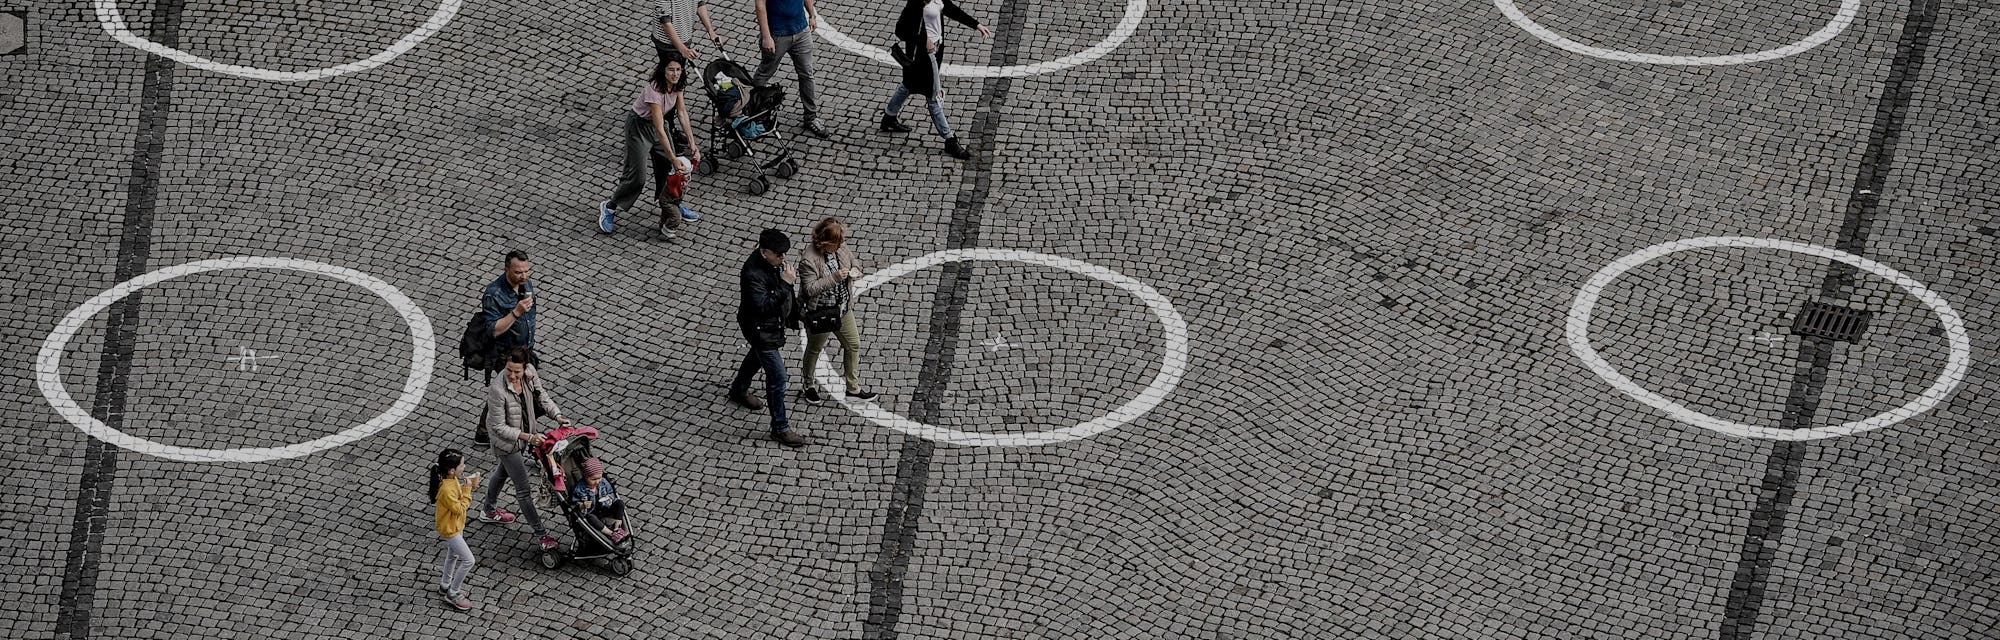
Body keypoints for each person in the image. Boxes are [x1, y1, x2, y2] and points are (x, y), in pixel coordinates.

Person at [599, 58, 705, 239]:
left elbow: (682, 112)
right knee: (637, 176)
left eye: (678, 69)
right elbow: (659, 129)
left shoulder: (678, 85)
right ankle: (610, 206)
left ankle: (672, 205)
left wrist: (692, 143)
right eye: (671, 70)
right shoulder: (654, 90)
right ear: (663, 71)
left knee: (671, 171)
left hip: (658, 127)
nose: (675, 74)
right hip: (640, 128)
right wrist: (673, 157)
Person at [478, 349, 572, 550]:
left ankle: (488, 510)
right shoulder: (498, 390)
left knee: (502, 472)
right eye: (509, 370)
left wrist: (557, 415)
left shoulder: (530, 373)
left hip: (523, 435)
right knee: (523, 490)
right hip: (506, 443)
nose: (512, 375)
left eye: (516, 371)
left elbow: (541, 396)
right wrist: (529, 437)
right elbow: (497, 426)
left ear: (525, 368)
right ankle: (541, 535)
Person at [880, 0, 991, 160]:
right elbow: (902, 30)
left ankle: (889, 116)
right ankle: (950, 139)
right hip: (922, 55)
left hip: (936, 51)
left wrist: (976, 25)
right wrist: (924, 40)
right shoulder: (915, 3)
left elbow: (950, 9)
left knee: (909, 84)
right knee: (932, 95)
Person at [729, 229, 807, 446]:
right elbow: (763, 306)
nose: (783, 258)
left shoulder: (771, 264)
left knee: (756, 356)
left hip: (769, 327)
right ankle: (780, 428)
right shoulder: (752, 274)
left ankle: (739, 390)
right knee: (778, 378)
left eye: (784, 254)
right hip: (760, 330)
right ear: (765, 253)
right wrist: (786, 284)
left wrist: (794, 311)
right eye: (779, 254)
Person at [797, 217, 879, 403]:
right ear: (826, 242)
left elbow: (853, 260)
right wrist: (834, 278)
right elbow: (810, 289)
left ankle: (853, 388)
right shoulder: (809, 260)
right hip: (821, 312)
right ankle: (808, 385)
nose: (841, 245)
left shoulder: (840, 246)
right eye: (837, 243)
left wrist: (855, 270)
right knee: (815, 348)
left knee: (853, 345)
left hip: (842, 307)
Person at [474, 250, 538, 447]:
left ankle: (485, 431)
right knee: (515, 392)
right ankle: (521, 434)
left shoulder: (526, 284)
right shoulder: (494, 294)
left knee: (509, 390)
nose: (524, 276)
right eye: (518, 272)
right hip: (505, 354)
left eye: (527, 271)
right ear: (506, 269)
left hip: (524, 351)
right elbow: (493, 330)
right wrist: (516, 313)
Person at [752, 0, 829, 138]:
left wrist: (812, 15)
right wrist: (766, 37)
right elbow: (760, 5)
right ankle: (752, 113)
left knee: (807, 74)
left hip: (801, 31)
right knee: (764, 74)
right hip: (776, 35)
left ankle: (811, 116)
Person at [428, 448, 480, 611]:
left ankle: (445, 584)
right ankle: (453, 592)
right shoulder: (446, 489)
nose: (464, 467)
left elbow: (457, 499)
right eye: (462, 465)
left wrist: (469, 487)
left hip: (455, 526)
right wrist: (467, 491)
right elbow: (459, 508)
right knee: (469, 561)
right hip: (451, 530)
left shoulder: (451, 481)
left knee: (453, 556)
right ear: (452, 470)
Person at [569, 458, 629, 543]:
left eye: (599, 478)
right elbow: (575, 504)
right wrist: (582, 505)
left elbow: (611, 492)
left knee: (620, 503)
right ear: (585, 477)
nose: (597, 482)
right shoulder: (579, 489)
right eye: (593, 479)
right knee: (590, 518)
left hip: (605, 508)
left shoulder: (603, 482)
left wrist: (609, 498)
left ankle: (617, 528)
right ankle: (611, 534)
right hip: (592, 513)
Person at [653, 0, 721, 65]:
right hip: (667, 44)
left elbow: (700, 3)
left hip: (685, 36)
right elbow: (665, 23)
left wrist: (711, 32)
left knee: (679, 70)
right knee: (670, 70)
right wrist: (683, 50)